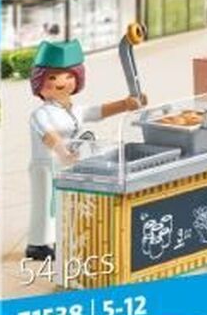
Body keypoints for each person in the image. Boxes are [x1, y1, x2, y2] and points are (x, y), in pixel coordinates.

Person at [25, 39, 144, 261]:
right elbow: (48, 135)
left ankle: (55, 239)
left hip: (65, 165)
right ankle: (38, 245)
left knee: (59, 203)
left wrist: (125, 104)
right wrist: (63, 153)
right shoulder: (41, 113)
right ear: (39, 82)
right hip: (46, 165)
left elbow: (97, 112)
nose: (62, 83)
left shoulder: (73, 110)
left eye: (68, 76)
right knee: (45, 203)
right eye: (53, 78)